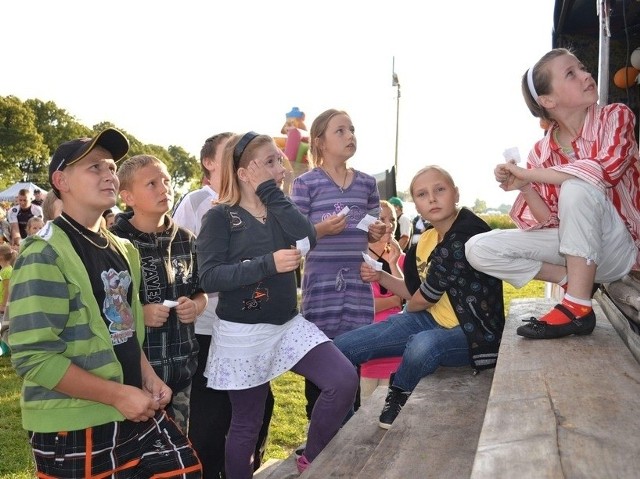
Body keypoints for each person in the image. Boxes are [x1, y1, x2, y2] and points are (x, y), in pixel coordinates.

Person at [8, 128, 202, 477]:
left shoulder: (123, 249)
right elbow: (33, 356)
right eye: (94, 168)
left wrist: (148, 377)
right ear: (61, 180)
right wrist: (116, 395)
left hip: (130, 409)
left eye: (112, 167)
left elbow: (126, 330)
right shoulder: (45, 253)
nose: (109, 174)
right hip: (73, 423)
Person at [197, 131, 358, 476]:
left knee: (343, 379)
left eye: (278, 159)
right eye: (270, 161)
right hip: (243, 334)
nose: (281, 166)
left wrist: (269, 189)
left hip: (287, 325)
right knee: (247, 424)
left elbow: (307, 234)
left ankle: (310, 459)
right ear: (244, 172)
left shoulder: (278, 207)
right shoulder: (219, 217)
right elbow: (208, 278)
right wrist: (267, 264)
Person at [465, 47, 640, 340]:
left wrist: (529, 174)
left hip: (620, 251)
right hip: (579, 256)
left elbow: (604, 171)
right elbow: (551, 222)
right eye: (571, 73)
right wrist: (525, 187)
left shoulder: (615, 116)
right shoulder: (541, 152)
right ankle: (574, 285)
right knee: (477, 248)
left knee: (577, 185)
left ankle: (577, 307)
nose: (586, 75)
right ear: (548, 100)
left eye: (583, 68)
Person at [334, 166, 505, 428]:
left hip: (472, 334)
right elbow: (413, 292)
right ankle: (336, 426)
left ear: (456, 193)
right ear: (417, 204)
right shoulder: (423, 241)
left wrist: (408, 311)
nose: (433, 199)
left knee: (423, 344)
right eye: (423, 194)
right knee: (343, 348)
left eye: (440, 190)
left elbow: (422, 300)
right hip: (429, 320)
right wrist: (381, 277)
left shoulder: (467, 234)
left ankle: (399, 390)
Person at [173, 132, 275, 478]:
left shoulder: (260, 201)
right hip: (209, 330)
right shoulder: (198, 202)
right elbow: (182, 262)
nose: (237, 160)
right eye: (229, 154)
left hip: (251, 329)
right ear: (209, 163)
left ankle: (247, 470)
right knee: (210, 419)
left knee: (259, 411)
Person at [290, 108, 385, 422]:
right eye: (340, 131)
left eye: (352, 129)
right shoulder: (305, 184)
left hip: (357, 287)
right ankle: (316, 439)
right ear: (319, 142)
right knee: (320, 360)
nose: (350, 136)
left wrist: (376, 231)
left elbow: (372, 228)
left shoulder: (368, 184)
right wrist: (320, 230)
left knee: (350, 362)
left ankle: (347, 431)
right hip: (321, 287)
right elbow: (295, 239)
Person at [111, 154, 207, 435]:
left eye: (165, 180)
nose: (164, 188)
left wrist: (197, 305)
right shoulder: (115, 242)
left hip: (181, 372)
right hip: (134, 379)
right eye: (151, 183)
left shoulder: (187, 239)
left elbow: (201, 290)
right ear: (128, 196)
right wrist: (140, 314)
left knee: (176, 451)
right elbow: (103, 305)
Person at [360, 200, 405, 401]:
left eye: (392, 219)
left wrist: (393, 264)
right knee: (365, 414)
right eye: (381, 219)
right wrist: (394, 300)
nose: (388, 225)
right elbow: (363, 307)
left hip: (398, 348)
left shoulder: (401, 258)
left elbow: (407, 298)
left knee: (393, 416)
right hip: (369, 350)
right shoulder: (357, 258)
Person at [0, 243, 16, 320]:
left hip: (3, 307)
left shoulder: (6, 271)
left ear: (1, 257)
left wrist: (3, 305)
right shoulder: (4, 270)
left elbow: (7, 290)